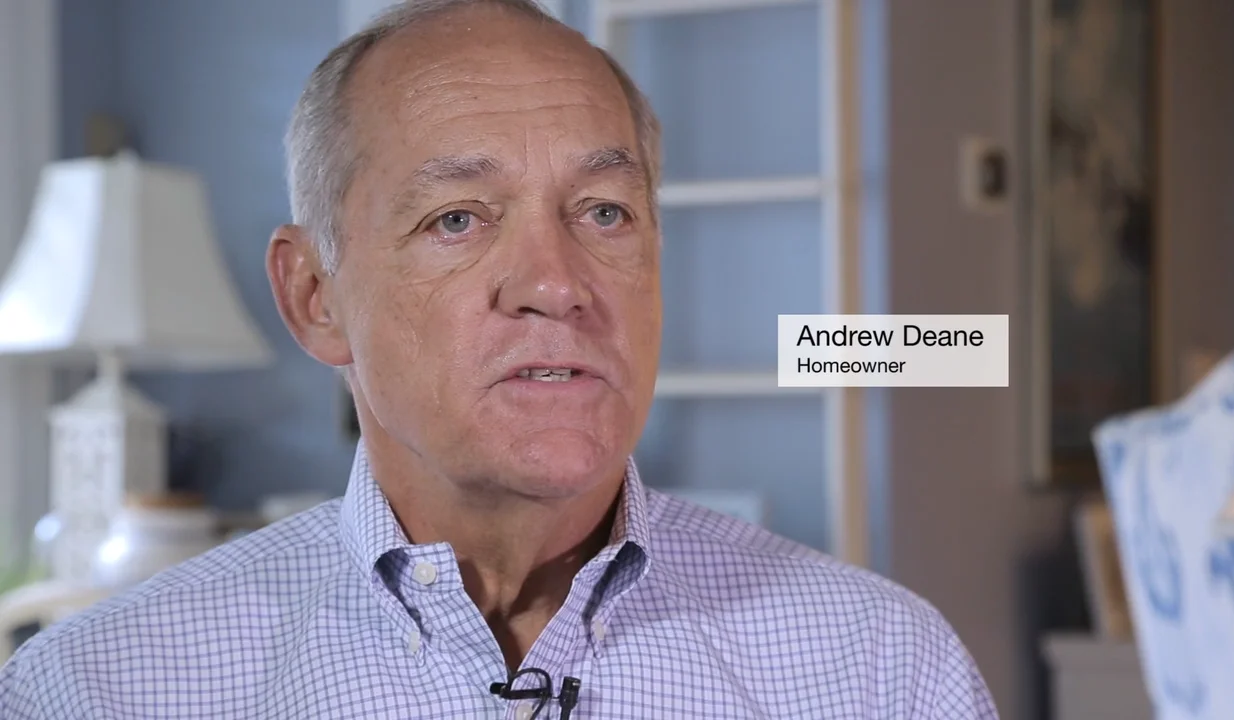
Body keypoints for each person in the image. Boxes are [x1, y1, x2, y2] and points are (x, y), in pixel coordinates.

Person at [0, 1, 998, 717]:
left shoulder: (880, 670)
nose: (556, 284)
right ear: (314, 297)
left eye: (603, 213)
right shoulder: (98, 689)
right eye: (457, 219)